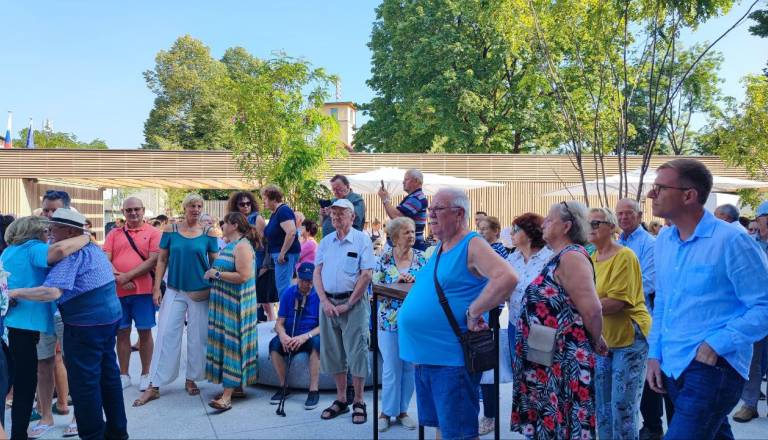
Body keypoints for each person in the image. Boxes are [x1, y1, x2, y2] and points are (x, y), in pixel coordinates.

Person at [645, 159, 768, 439]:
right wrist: (655, 353)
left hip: (714, 367)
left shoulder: (731, 240)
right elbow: (663, 301)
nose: (652, 194)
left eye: (660, 188)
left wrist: (717, 344)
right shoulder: (664, 240)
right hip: (673, 364)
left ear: (689, 195)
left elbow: (763, 306)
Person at [398, 188, 518, 440]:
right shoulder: (442, 246)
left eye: (438, 209)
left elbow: (507, 277)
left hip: (451, 360)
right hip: (428, 358)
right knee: (443, 428)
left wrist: (474, 311)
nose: (430, 214)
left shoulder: (472, 243)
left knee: (459, 433)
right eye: (430, 209)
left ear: (459, 213)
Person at [8, 208, 128, 440]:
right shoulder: (93, 248)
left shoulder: (71, 256)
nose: (50, 232)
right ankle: (118, 432)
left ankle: (93, 435)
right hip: (109, 320)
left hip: (85, 326)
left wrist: (14, 292)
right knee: (109, 377)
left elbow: (52, 292)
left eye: (54, 227)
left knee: (84, 386)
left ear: (70, 231)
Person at [511, 201, 608, 440]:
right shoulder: (558, 256)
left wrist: (597, 339)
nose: (543, 224)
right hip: (547, 355)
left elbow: (592, 310)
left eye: (550, 219)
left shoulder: (572, 257)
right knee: (550, 423)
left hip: (563, 358)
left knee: (564, 422)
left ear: (566, 226)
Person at [1, 216, 88, 440]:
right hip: (26, 324)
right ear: (35, 232)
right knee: (25, 383)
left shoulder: (9, 251)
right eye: (45, 231)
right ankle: (18, 435)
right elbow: (58, 252)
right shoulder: (32, 247)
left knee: (13, 381)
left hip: (11, 322)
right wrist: (85, 237)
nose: (48, 234)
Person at [133, 193, 218, 406]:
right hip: (174, 289)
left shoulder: (209, 233)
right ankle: (154, 385)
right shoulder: (171, 230)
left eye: (199, 206)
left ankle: (191, 378)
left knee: (198, 337)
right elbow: (162, 259)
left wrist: (216, 286)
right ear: (185, 207)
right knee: (166, 334)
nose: (196, 209)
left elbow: (215, 264)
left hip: (200, 292)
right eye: (192, 205)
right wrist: (156, 288)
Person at [588, 207, 651, 440]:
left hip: (629, 337)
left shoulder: (624, 256)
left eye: (596, 223)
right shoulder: (591, 258)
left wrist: (580, 308)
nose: (590, 228)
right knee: (602, 406)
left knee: (622, 407)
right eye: (587, 223)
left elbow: (616, 302)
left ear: (612, 227)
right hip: (603, 337)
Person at [313, 199, 375, 424]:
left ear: (353, 216)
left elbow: (366, 275)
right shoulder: (326, 241)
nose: (336, 217)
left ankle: (359, 400)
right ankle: (341, 399)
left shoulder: (362, 239)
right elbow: (317, 272)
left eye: (341, 213)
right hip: (328, 304)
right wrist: (324, 301)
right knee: (333, 352)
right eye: (333, 213)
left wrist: (348, 304)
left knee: (357, 352)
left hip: (353, 304)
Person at [614, 199, 670, 440]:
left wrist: (617, 297)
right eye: (620, 214)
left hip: (640, 320)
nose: (623, 217)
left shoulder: (650, 244)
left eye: (628, 213)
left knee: (650, 378)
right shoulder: (618, 243)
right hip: (617, 321)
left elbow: (649, 282)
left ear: (639, 215)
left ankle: (653, 426)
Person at [372, 217, 426, 433]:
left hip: (413, 321)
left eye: (412, 232)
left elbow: (428, 285)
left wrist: (414, 282)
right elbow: (374, 284)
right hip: (389, 320)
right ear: (395, 237)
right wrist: (396, 283)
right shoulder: (384, 257)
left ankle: (403, 411)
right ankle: (386, 412)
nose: (411, 235)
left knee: (409, 367)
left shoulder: (421, 258)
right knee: (391, 367)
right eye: (406, 232)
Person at [103, 197, 161, 393]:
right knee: (122, 333)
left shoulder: (154, 232)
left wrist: (127, 276)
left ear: (143, 210)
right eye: (129, 210)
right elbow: (105, 258)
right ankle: (124, 375)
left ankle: (146, 374)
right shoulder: (114, 233)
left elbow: (153, 261)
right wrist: (119, 278)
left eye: (137, 209)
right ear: (123, 212)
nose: (133, 213)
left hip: (143, 291)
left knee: (144, 332)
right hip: (118, 292)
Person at [203, 212, 259, 411]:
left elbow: (243, 276)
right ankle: (236, 388)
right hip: (226, 305)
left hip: (236, 306)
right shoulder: (232, 245)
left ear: (234, 225)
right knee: (229, 344)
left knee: (232, 346)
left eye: (224, 223)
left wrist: (216, 273)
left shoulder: (242, 246)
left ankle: (226, 398)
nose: (222, 226)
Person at [36, 189, 77, 438]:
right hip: (42, 312)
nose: (49, 215)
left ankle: (78, 416)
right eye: (46, 210)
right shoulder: (36, 237)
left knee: (74, 363)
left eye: (55, 210)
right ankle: (45, 416)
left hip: (69, 312)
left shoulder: (76, 239)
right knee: (43, 364)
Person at [732, 199, 768, 423]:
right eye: (766, 218)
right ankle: (750, 404)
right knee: (752, 359)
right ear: (759, 220)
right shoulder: (748, 244)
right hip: (754, 311)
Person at [269, 262, 322, 410]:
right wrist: (283, 336)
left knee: (317, 345)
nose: (307, 284)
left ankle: (313, 390)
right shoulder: (289, 293)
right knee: (274, 345)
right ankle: (284, 386)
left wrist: (305, 337)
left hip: (309, 335)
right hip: (291, 334)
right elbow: (279, 323)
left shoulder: (319, 295)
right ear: (298, 278)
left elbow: (323, 326)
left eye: (310, 281)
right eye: (304, 280)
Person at [505, 213, 553, 359]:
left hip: (540, 327)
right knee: (516, 368)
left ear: (530, 233)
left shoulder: (550, 259)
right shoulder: (511, 259)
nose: (511, 233)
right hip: (514, 323)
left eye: (515, 229)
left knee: (539, 368)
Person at [227, 191, 270, 320]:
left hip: (255, 258)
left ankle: (255, 318)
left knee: (251, 290)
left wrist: (265, 265)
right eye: (242, 204)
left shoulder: (257, 218)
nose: (246, 206)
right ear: (236, 205)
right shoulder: (233, 219)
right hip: (238, 258)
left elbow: (262, 243)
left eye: (248, 203)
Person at [262, 185, 301, 299]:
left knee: (283, 288)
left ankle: (286, 310)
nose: (264, 202)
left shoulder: (283, 211)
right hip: (280, 254)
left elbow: (291, 232)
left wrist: (283, 253)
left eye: (265, 199)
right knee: (283, 287)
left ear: (273, 199)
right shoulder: (276, 212)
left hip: (285, 256)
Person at [377, 169, 429, 251]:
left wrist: (385, 199)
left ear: (416, 181)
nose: (403, 182)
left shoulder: (416, 198)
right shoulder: (415, 197)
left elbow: (397, 217)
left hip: (411, 247)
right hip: (409, 245)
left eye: (406, 179)